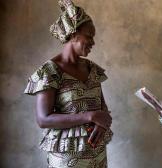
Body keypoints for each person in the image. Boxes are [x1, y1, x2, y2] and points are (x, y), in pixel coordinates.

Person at [24, 0, 112, 167]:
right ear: (73, 34)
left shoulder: (92, 69)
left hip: (97, 154)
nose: (93, 42)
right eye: (89, 36)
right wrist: (89, 116)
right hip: (66, 156)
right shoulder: (50, 72)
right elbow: (43, 119)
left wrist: (102, 124)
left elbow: (102, 108)